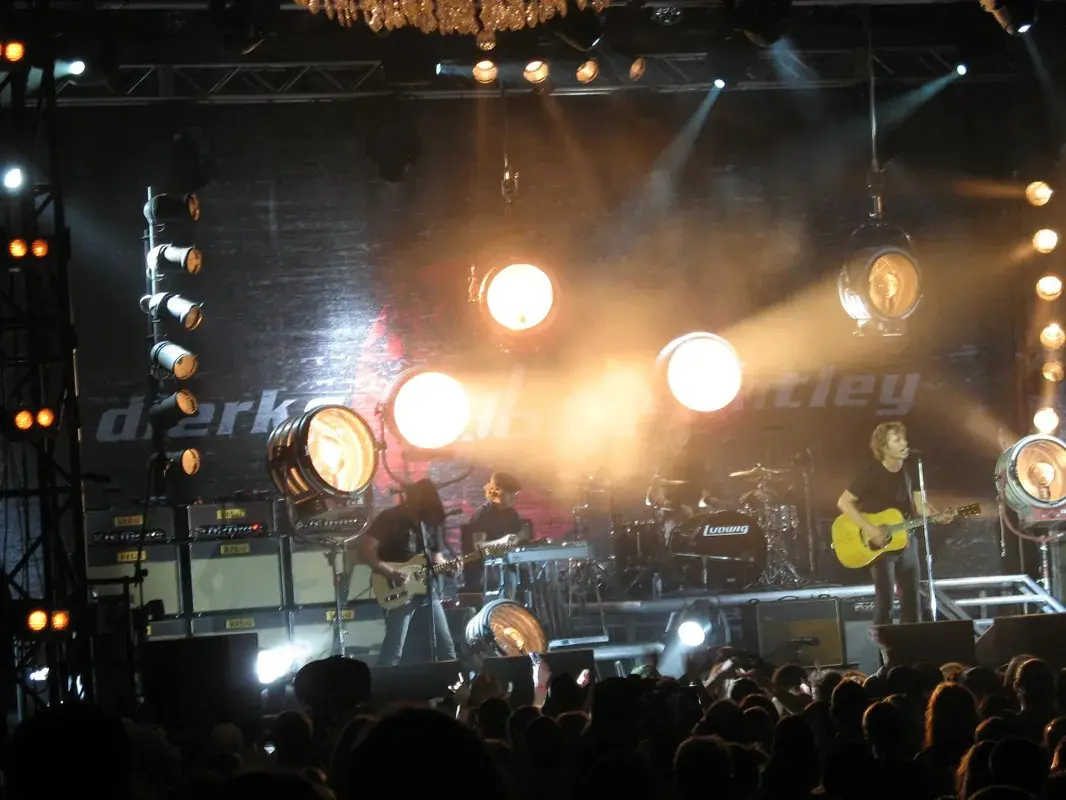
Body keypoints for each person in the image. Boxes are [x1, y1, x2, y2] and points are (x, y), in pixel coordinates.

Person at [836, 421, 937, 629]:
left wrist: (938, 514)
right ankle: (886, 658)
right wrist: (870, 529)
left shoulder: (912, 469)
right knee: (886, 604)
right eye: (897, 439)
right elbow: (843, 502)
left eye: (904, 438)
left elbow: (920, 506)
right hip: (881, 546)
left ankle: (911, 653)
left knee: (912, 602)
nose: (904, 443)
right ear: (883, 446)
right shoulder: (871, 473)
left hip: (907, 541)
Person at [357, 478, 458, 666]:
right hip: (398, 588)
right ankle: (385, 689)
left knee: (446, 648)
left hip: (428, 588)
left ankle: (452, 688)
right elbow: (366, 550)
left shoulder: (430, 521)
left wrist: (449, 568)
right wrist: (389, 572)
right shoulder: (389, 518)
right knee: (394, 650)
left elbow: (436, 557)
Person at [465, 472, 528, 599]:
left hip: (508, 563)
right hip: (485, 569)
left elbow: (517, 539)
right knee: (508, 577)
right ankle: (504, 610)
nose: (514, 498)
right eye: (510, 493)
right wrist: (503, 542)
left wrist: (522, 537)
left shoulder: (512, 514)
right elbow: (479, 548)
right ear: (496, 491)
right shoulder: (482, 514)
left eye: (515, 494)